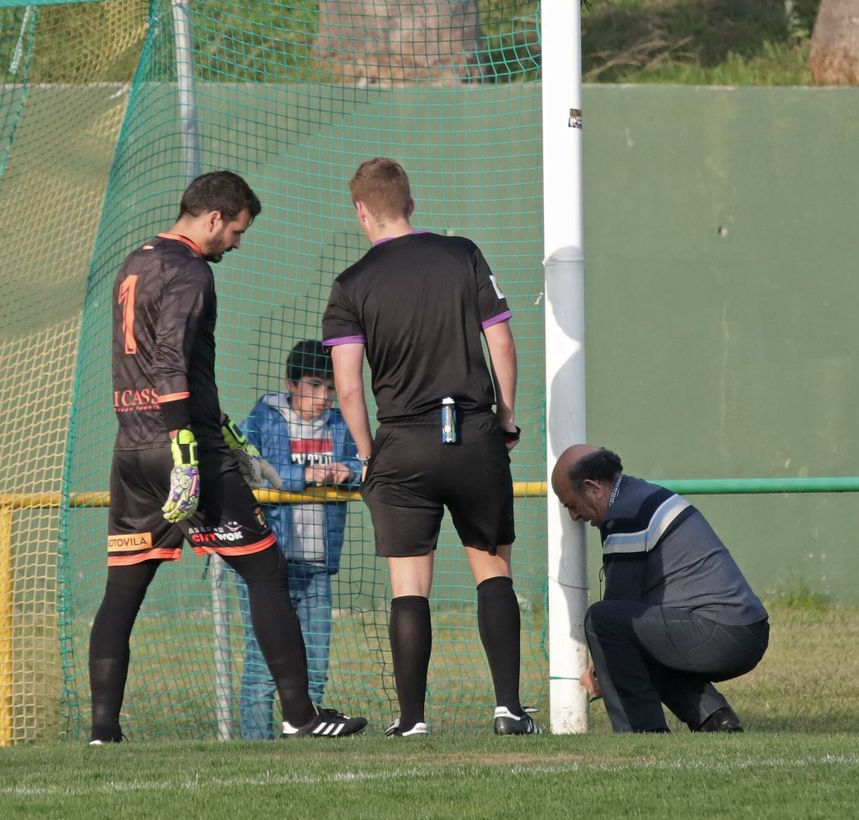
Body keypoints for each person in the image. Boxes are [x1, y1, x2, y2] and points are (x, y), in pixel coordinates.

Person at [91, 170, 368, 743]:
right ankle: (300, 715)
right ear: (214, 219)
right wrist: (189, 451)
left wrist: (231, 437)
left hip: (132, 450)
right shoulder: (189, 269)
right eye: (237, 232)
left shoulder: (135, 262)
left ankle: (103, 732)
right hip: (179, 451)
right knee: (267, 570)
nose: (237, 245)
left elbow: (152, 369)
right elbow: (170, 363)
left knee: (123, 589)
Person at [322, 157, 537, 737]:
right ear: (410, 202)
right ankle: (508, 710)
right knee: (493, 573)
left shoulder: (351, 284)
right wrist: (506, 420)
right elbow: (504, 345)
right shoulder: (463, 254)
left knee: (408, 586)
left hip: (402, 444)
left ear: (361, 211)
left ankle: (413, 720)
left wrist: (368, 454)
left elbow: (347, 387)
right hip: (473, 434)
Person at [550, 444, 770, 733]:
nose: (574, 516)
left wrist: (598, 674)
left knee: (603, 621)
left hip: (722, 634)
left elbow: (618, 617)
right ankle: (714, 718)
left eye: (571, 504)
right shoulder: (641, 495)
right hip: (744, 630)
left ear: (593, 488)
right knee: (637, 637)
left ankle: (641, 733)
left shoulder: (628, 514)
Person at [235, 339, 363, 739]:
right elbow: (245, 467)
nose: (323, 396)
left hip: (317, 565)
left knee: (316, 664)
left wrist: (349, 471)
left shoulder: (342, 424)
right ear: (290, 384)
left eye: (329, 386)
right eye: (313, 385)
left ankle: (305, 737)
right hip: (267, 567)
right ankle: (257, 749)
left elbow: (369, 460)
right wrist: (302, 476)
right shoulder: (262, 419)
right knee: (262, 665)